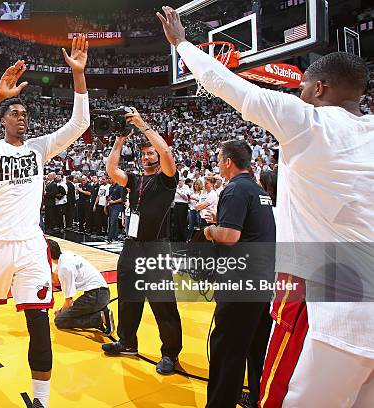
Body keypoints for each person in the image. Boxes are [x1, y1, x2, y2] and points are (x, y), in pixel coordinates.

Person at [158, 6, 374, 407]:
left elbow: (234, 89)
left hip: (328, 306)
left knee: (278, 399)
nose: (300, 96)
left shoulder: (312, 123)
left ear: (320, 89)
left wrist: (182, 44)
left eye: (303, 89)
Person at [0, 35, 89, 408]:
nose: (22, 116)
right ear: (3, 121)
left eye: (25, 114)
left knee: (39, 326)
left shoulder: (39, 147)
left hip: (30, 246)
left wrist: (78, 75)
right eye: (15, 113)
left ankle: (41, 401)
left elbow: (79, 123)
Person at [102, 108, 183, 376]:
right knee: (127, 296)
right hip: (132, 245)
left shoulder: (166, 180)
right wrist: (120, 139)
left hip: (156, 247)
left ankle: (170, 353)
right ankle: (127, 342)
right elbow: (111, 169)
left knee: (162, 302)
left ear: (158, 158)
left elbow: (168, 154)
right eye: (145, 153)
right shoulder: (134, 179)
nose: (148, 156)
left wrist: (142, 124)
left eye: (152, 153)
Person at [202, 140, 276, 407]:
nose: (218, 165)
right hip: (263, 281)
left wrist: (210, 231)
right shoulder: (257, 190)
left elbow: (230, 236)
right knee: (256, 348)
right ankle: (256, 399)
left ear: (228, 162)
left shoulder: (234, 189)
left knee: (227, 349)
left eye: (220, 160)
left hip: (241, 282)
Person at [48, 239, 114, 334]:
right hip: (102, 293)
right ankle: (101, 311)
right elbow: (55, 278)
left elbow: (69, 302)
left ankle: (99, 318)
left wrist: (61, 311)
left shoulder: (64, 269)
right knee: (70, 313)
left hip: (95, 297)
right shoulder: (66, 255)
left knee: (60, 320)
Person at [106, 178, 125, 242]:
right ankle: (115, 237)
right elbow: (110, 196)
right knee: (113, 222)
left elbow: (122, 198)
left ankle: (110, 237)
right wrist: (108, 199)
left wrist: (113, 201)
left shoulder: (119, 186)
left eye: (110, 178)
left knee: (113, 221)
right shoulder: (110, 187)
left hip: (117, 206)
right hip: (111, 206)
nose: (109, 180)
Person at [172, 177, 189, 242]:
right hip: (176, 205)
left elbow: (186, 198)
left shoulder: (186, 187)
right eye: (178, 180)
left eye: (180, 181)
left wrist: (178, 191)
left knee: (182, 222)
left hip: (183, 205)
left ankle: (183, 239)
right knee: (176, 222)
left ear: (183, 181)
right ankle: (176, 238)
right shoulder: (175, 187)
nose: (179, 182)